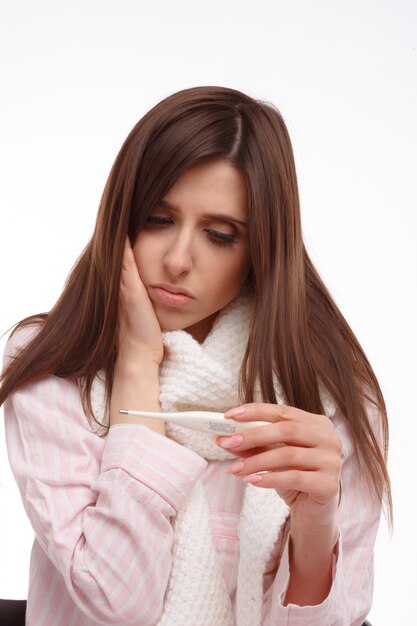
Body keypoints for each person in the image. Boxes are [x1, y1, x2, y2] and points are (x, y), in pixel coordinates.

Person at [0, 85, 391, 626]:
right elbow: (118, 603)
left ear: (261, 250)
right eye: (158, 220)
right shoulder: (54, 371)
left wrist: (316, 523)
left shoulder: (329, 395)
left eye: (219, 234)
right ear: (121, 220)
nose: (179, 259)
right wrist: (138, 363)